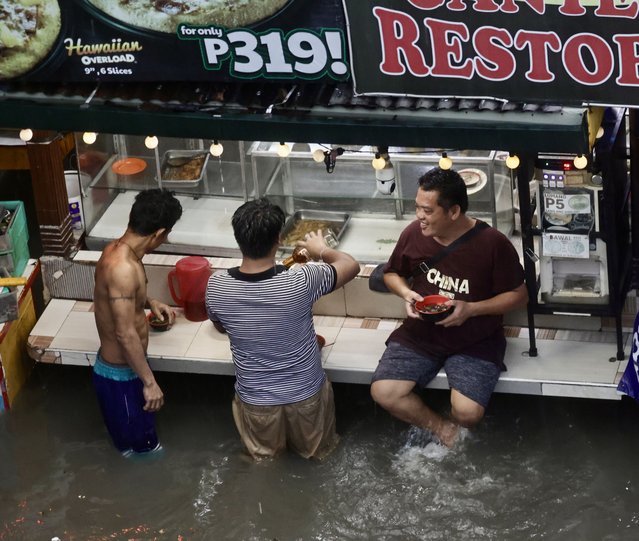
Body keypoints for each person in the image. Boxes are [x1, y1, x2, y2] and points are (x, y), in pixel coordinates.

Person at [370, 167, 527, 447]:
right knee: (384, 392)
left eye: (428, 211)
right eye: (417, 207)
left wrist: (471, 309)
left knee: (468, 413)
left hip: (475, 339)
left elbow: (519, 295)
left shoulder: (493, 244)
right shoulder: (413, 234)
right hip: (420, 333)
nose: (419, 216)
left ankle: (455, 425)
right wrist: (407, 294)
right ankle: (443, 430)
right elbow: (392, 273)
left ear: (454, 212)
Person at [205, 198, 360, 460]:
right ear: (279, 238)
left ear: (238, 238)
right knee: (319, 460)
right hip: (306, 399)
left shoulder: (217, 286)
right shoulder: (301, 280)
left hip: (257, 405)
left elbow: (220, 325)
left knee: (265, 469)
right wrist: (321, 249)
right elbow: (350, 265)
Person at [93, 188, 183, 456]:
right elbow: (124, 333)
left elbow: (119, 297)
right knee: (142, 452)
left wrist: (149, 302)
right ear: (159, 234)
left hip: (130, 370)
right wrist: (149, 383)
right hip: (120, 377)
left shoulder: (119, 249)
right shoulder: (123, 268)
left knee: (145, 446)